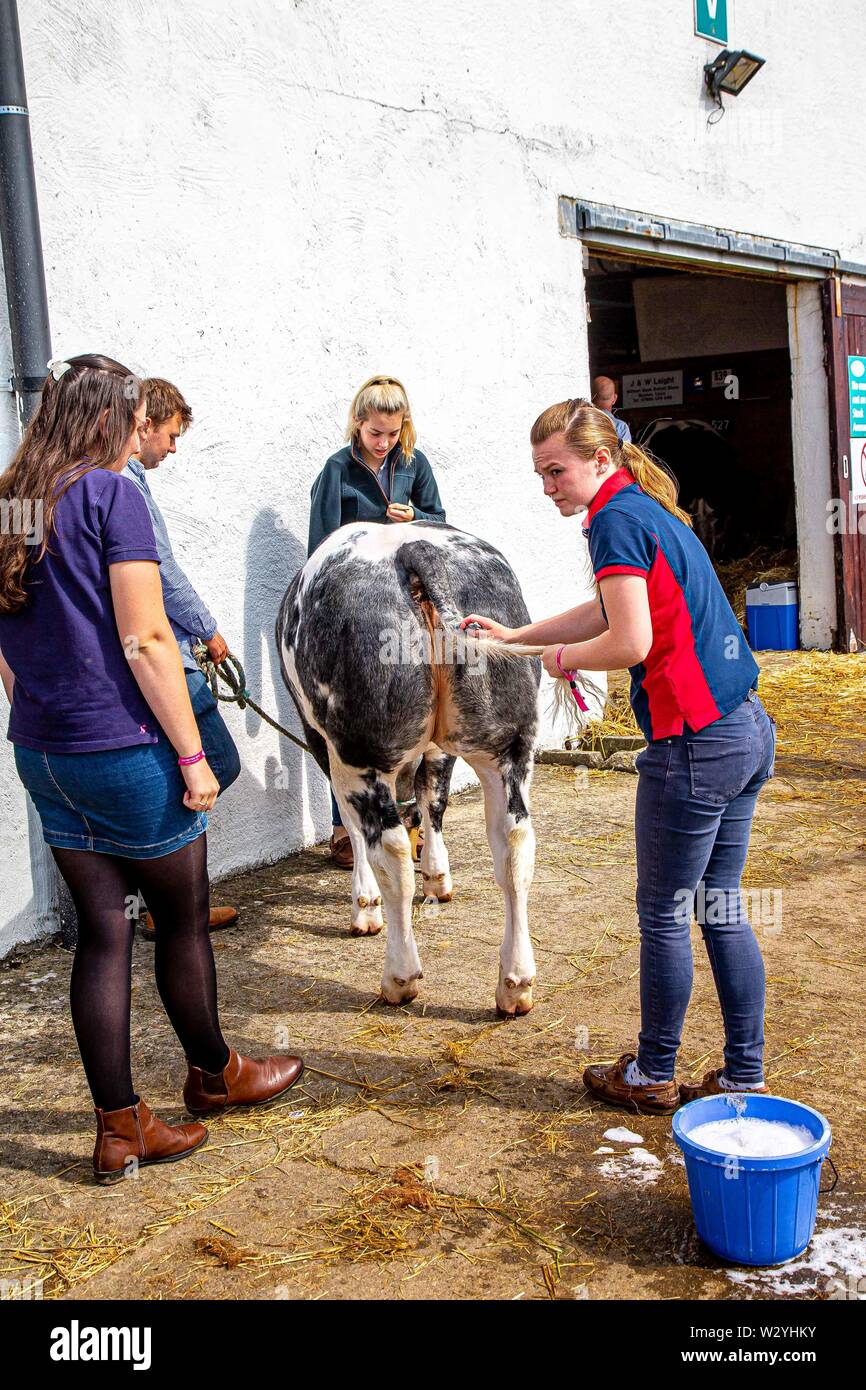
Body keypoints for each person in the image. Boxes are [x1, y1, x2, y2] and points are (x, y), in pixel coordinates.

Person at [0, 355, 302, 1183]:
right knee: (183, 915)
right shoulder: (111, 493)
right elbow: (144, 638)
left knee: (102, 932)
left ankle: (121, 1125)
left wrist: (40, 711)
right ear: (109, 420)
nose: (144, 432)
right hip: (125, 749)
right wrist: (194, 755)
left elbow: (7, 639)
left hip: (44, 752)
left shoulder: (15, 499)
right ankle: (215, 1074)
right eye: (135, 417)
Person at [462, 399, 775, 1114]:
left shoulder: (614, 521)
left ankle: (652, 1074)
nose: (548, 486)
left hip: (695, 743)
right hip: (746, 727)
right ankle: (743, 1074)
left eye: (555, 470)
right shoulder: (645, 510)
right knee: (719, 904)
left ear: (599, 459)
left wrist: (555, 659)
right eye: (540, 475)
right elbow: (610, 609)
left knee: (665, 913)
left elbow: (626, 642)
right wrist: (516, 635)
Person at [308, 374, 446, 869]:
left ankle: (410, 822)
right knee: (347, 717)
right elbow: (320, 546)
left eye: (392, 433)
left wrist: (417, 518)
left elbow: (442, 520)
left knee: (410, 709)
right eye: (375, 434)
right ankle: (345, 827)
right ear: (358, 424)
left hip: (403, 596)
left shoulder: (415, 463)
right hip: (354, 603)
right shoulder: (335, 471)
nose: (384, 442)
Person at [122, 378, 240, 939]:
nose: (172, 448)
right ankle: (172, 906)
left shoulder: (117, 478)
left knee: (189, 776)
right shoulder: (121, 482)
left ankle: (159, 904)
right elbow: (160, 569)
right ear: (143, 424)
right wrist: (208, 629)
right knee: (211, 766)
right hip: (166, 657)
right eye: (170, 435)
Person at [591, 375, 632, 444]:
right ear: (614, 399)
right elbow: (625, 453)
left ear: (591, 397)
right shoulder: (621, 427)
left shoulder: (583, 424)